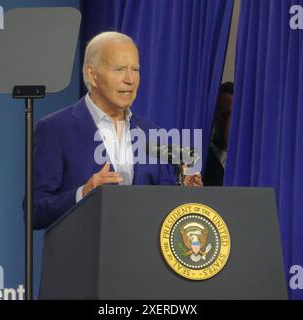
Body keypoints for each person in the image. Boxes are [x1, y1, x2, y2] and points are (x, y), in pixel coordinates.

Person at [32, 31, 202, 229]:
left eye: (135, 69)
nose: (130, 79)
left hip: (141, 255)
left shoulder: (152, 132)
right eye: (119, 69)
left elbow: (164, 205)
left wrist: (185, 192)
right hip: (84, 255)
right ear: (92, 74)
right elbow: (36, 211)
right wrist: (83, 193)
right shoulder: (55, 129)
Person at [203, 82, 234, 186]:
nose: (230, 124)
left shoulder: (250, 162)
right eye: (225, 116)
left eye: (234, 116)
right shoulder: (203, 158)